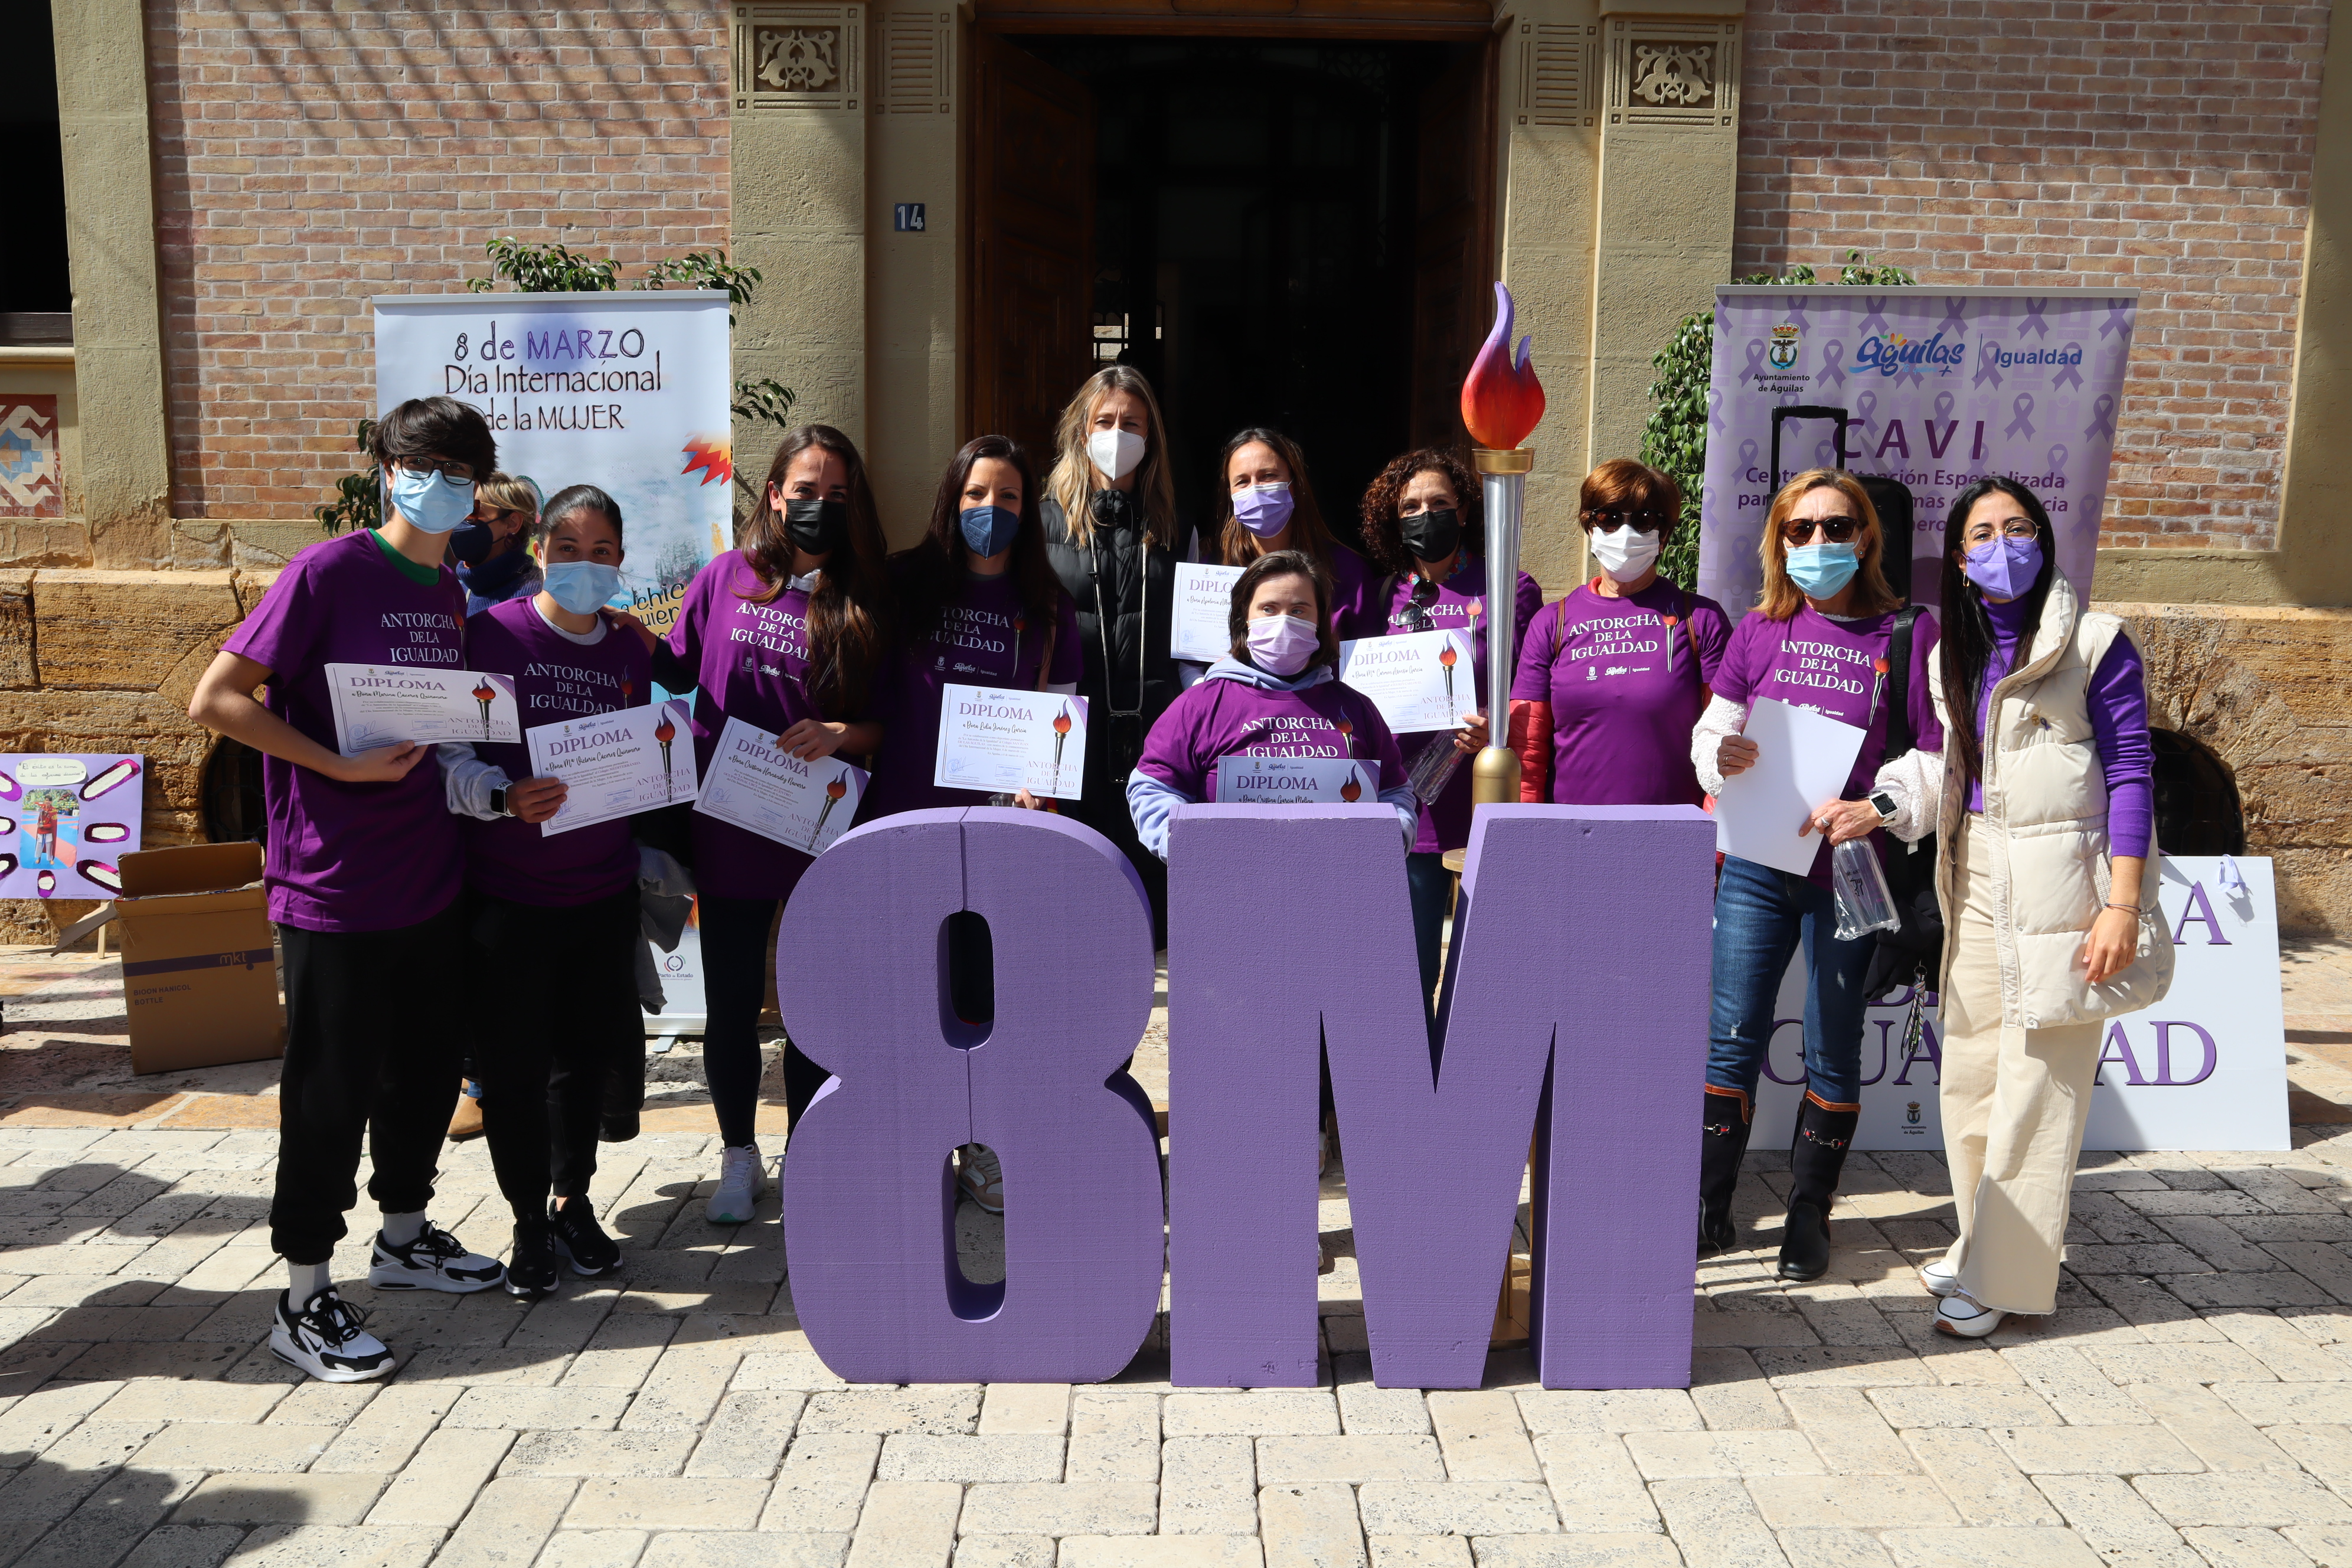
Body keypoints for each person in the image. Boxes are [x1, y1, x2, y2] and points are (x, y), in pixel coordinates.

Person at [187, 396, 507, 1383]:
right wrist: (335, 765)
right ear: (386, 470)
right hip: (334, 886)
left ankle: (404, 1236)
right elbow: (217, 699)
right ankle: (304, 1296)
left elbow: (439, 725)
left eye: (459, 473)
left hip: (430, 876)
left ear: (477, 491)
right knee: (330, 1093)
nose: (439, 485)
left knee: (423, 1075)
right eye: (422, 466)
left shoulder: (449, 590)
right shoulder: (325, 572)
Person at [1892, 478, 2165, 1337]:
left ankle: (2005, 1279)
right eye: (1982, 533)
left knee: (2039, 1084)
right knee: (1972, 1074)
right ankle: (1983, 1242)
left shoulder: (2096, 642)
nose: (2000, 545)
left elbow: (2131, 773)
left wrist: (2122, 904)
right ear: (1959, 559)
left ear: (2044, 541)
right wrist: (1890, 805)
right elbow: (1955, 771)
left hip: (2066, 888)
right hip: (1975, 876)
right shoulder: (1951, 652)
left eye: (2017, 528)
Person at [1690, 468, 1943, 1282]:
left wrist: (1878, 806)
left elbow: (1938, 755)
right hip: (1757, 863)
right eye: (1801, 529)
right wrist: (1719, 754)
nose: (1819, 541)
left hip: (1852, 872)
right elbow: (1713, 729)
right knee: (1732, 1036)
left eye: (1837, 527)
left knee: (1834, 1042)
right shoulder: (1760, 629)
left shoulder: (1909, 633)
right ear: (1780, 541)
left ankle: (1810, 1209)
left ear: (1866, 537)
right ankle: (1708, 1205)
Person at [645, 424, 892, 1226]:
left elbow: (887, 723)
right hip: (731, 822)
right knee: (732, 1002)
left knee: (815, 1008)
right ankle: (738, 1155)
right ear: (776, 494)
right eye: (806, 490)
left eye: (837, 494)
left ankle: (810, 1151)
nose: (820, 505)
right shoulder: (725, 578)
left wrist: (840, 734)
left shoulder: (865, 596)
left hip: (821, 826)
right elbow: (668, 671)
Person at [440, 485, 645, 1298]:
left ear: (620, 561)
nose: (584, 565)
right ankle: (528, 1220)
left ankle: (572, 1202)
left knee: (584, 1065)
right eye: (568, 550)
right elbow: (449, 755)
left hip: (602, 896)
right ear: (540, 552)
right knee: (514, 1070)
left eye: (601, 553)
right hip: (509, 899)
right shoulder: (490, 636)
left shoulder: (628, 649)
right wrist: (501, 795)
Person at [1357, 446, 1543, 1003]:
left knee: (1483, 972)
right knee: (1409, 969)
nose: (1425, 514)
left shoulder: (1509, 586)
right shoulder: (1384, 595)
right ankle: (1410, 1058)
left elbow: (1531, 687)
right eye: (1410, 507)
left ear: (1463, 509)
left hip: (1482, 792)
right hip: (1410, 803)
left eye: (1439, 503)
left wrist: (1498, 727)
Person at [1127, 550, 1415, 858]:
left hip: (1341, 878)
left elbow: (1394, 792)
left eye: (1299, 610)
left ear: (1320, 620)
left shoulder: (1357, 708)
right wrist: (1192, 851)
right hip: (1228, 880)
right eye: (1269, 609)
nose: (1284, 622)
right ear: (1244, 617)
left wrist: (1391, 840)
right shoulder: (1199, 706)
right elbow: (1154, 789)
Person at [1041, 366, 1195, 942]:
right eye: (1104, 421)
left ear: (1151, 436)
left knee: (1155, 918)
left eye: (1132, 423)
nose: (1117, 433)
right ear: (1082, 432)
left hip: (1156, 742)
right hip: (1072, 746)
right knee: (1079, 914)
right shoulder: (1043, 523)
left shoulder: (1178, 526)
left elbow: (1193, 645)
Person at [868, 435, 1082, 819]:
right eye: (976, 493)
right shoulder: (901, 582)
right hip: (901, 809)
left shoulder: (1049, 605)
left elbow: (1059, 732)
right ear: (954, 500)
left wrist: (1039, 786)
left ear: (1025, 511)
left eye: (1008, 496)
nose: (991, 507)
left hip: (996, 819)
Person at [1510, 459, 1729, 814]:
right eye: (1609, 518)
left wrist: (1713, 835)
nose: (1625, 533)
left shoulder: (1701, 619)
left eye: (1644, 520)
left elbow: (1727, 736)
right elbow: (1527, 747)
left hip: (1676, 835)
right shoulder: (1551, 623)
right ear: (1589, 526)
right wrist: (1525, 827)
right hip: (1572, 834)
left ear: (1664, 534)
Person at [1208, 428, 1374, 639]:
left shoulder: (1347, 571)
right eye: (1242, 482)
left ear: (1294, 485)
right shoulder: (1211, 570)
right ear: (1230, 494)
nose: (1255, 489)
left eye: (1268, 476)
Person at [452, 472, 545, 616]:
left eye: (473, 510)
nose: (462, 519)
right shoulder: (454, 592)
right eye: (460, 509)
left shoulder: (539, 596)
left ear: (512, 523)